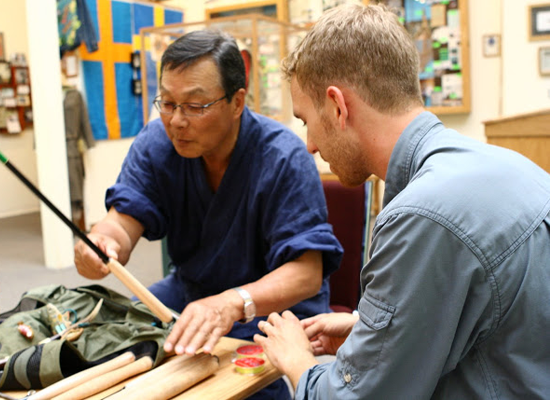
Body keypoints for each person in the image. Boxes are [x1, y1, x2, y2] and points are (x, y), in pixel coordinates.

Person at [254, 3, 550, 399]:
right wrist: (366, 328)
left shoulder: (421, 216)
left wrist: (296, 361)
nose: (309, 145)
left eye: (307, 121)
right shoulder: (511, 166)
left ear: (338, 107)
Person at [74, 30, 342, 399]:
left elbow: (307, 274)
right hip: (192, 293)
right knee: (113, 337)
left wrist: (232, 303)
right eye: (167, 103)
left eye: (195, 106)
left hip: (270, 309)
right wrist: (103, 241)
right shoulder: (156, 143)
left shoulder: (283, 157)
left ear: (236, 102)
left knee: (231, 387)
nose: (176, 121)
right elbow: (122, 220)